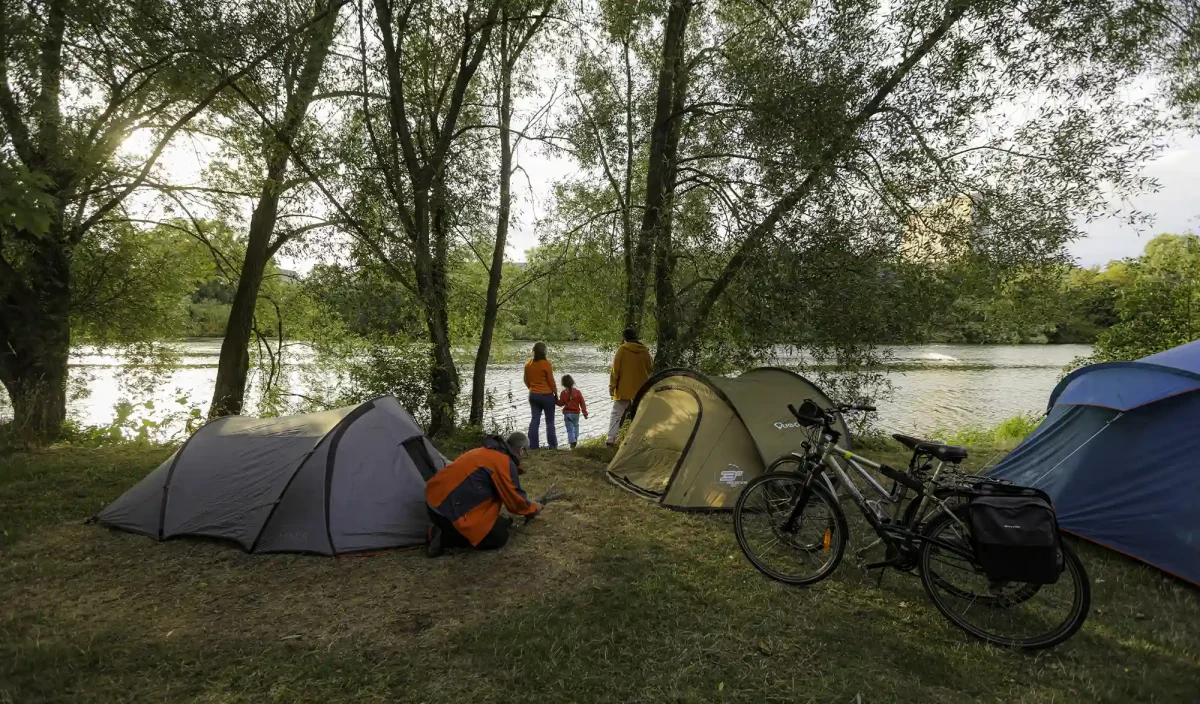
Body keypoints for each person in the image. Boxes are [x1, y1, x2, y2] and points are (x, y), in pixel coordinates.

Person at [424, 432, 540, 557]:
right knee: (499, 537)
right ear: (521, 450)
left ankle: (445, 529)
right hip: (446, 511)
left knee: (499, 522)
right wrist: (533, 508)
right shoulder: (504, 462)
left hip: (432, 502)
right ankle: (444, 537)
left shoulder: (482, 451)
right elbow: (515, 501)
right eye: (526, 453)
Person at [607, 327, 654, 446]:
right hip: (641, 389)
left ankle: (610, 439)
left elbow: (615, 370)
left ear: (625, 338)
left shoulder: (622, 350)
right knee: (640, 414)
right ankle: (639, 439)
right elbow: (650, 367)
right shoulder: (644, 350)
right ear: (636, 337)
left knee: (616, 413)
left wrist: (612, 387)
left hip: (624, 388)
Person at [523, 341, 558, 449]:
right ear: (544, 351)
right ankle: (552, 446)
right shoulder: (546, 364)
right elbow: (551, 381)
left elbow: (525, 380)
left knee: (535, 419)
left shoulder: (528, 364)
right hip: (547, 396)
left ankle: (533, 446)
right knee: (550, 421)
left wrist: (532, 388)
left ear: (534, 351)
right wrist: (556, 393)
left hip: (533, 395)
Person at [557, 374, 588, 449]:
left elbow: (561, 403)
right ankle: (575, 440)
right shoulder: (578, 392)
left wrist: (555, 399)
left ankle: (572, 443)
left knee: (570, 429)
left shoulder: (563, 393)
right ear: (572, 382)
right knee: (576, 427)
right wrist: (584, 413)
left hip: (567, 414)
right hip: (575, 414)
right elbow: (582, 403)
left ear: (563, 384)